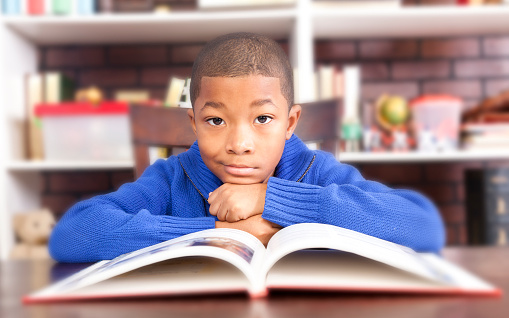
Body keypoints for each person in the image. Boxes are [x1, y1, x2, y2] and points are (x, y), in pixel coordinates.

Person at [49, 32, 445, 263]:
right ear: (194, 123)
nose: (239, 144)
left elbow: (424, 225)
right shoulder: (171, 178)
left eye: (262, 119)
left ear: (290, 123)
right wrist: (218, 233)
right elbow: (72, 234)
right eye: (216, 120)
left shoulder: (316, 171)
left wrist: (272, 197)